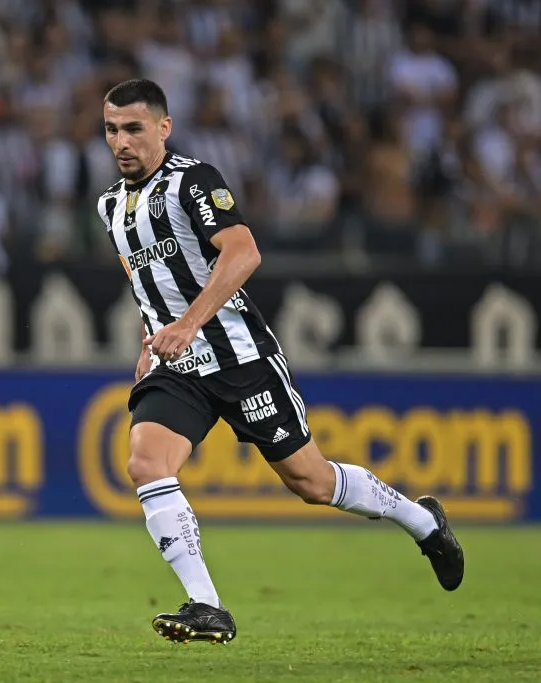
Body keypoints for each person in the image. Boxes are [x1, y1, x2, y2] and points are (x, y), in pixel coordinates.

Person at [96, 79, 463, 645]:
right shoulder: (111, 207)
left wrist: (190, 324)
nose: (121, 141)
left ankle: (422, 521)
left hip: (240, 358)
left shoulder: (193, 181)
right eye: (111, 129)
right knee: (147, 464)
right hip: (176, 368)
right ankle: (207, 605)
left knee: (312, 483)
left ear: (163, 129)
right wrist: (148, 345)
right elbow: (149, 290)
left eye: (133, 128)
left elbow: (244, 251)